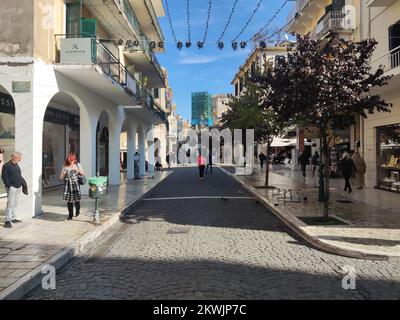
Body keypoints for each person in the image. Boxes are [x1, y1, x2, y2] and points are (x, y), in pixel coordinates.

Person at [1, 152, 24, 228]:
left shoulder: (16, 165)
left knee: (15, 202)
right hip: (12, 187)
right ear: (13, 157)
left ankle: (13, 217)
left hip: (18, 187)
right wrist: (9, 186)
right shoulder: (6, 166)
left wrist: (21, 184)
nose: (20, 160)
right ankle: (7, 220)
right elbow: (4, 177)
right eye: (19, 158)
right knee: (10, 203)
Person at [60, 152, 84, 221]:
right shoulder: (65, 166)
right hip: (68, 186)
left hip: (75, 185)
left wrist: (77, 170)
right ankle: (70, 215)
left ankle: (77, 210)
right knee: (69, 201)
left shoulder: (77, 165)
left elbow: (83, 173)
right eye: (69, 160)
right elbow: (61, 177)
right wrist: (64, 173)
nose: (71, 161)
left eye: (72, 160)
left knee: (76, 200)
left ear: (74, 159)